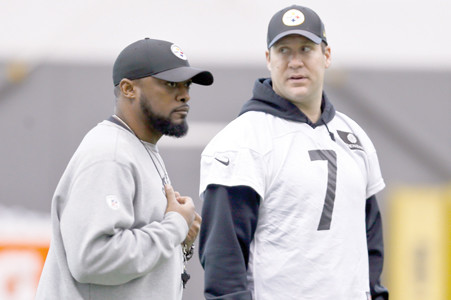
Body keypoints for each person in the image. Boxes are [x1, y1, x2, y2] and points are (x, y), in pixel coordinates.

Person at [198, 5, 388, 300]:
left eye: (306, 49)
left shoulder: (354, 138)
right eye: (284, 51)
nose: (295, 62)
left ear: (326, 56)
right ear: (268, 59)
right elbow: (224, 260)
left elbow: (370, 239)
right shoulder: (242, 141)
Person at [36, 38, 213, 300]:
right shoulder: (111, 154)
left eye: (186, 84)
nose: (184, 94)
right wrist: (174, 225)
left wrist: (179, 238)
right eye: (170, 84)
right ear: (129, 89)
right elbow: (93, 259)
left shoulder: (137, 147)